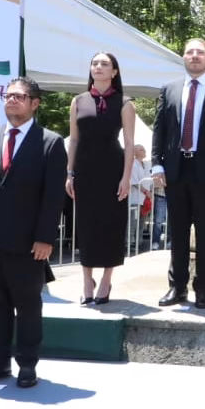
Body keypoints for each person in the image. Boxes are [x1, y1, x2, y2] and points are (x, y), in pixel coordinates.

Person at [0, 78, 67, 389]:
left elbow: (53, 196)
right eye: (8, 95)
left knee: (28, 306)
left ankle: (27, 364)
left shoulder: (50, 142)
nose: (12, 100)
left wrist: (45, 238)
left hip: (28, 242)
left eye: (19, 96)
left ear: (35, 103)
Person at [152, 39, 205, 309]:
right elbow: (159, 129)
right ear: (184, 57)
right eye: (189, 52)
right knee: (177, 233)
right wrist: (156, 164)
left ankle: (202, 289)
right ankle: (177, 287)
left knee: (204, 233)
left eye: (200, 52)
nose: (194, 56)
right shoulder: (169, 89)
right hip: (175, 170)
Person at [66, 52, 135, 305]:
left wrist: (126, 178)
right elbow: (73, 140)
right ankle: (87, 280)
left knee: (111, 225)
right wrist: (69, 173)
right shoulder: (78, 101)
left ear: (114, 72)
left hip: (112, 170)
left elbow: (129, 144)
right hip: (85, 170)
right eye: (94, 63)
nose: (98, 67)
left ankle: (106, 279)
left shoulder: (125, 103)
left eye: (104, 64)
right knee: (85, 225)